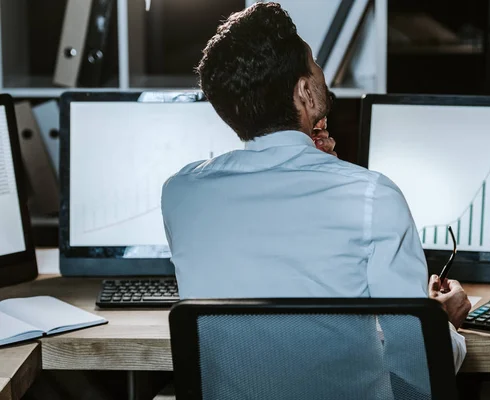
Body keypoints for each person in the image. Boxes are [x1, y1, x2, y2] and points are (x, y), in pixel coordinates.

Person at [161, 1, 471, 396]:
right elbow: (420, 370)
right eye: (315, 62)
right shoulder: (370, 195)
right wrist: (443, 322)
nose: (321, 72)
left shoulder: (181, 193)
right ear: (305, 91)